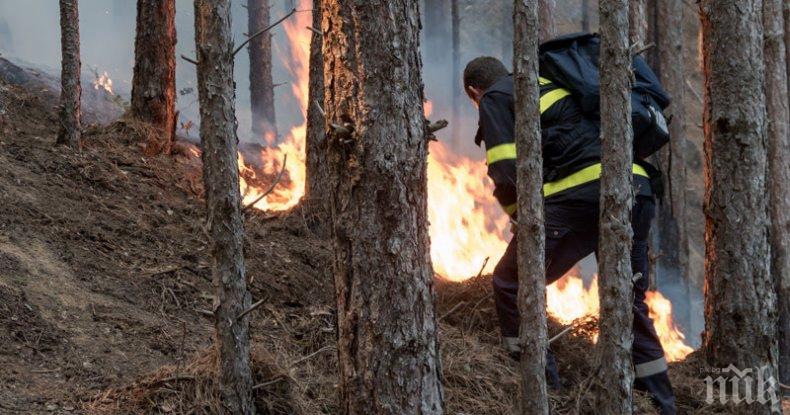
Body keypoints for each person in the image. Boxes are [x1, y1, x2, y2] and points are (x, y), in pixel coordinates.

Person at [464, 56, 676, 415]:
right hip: (635, 191)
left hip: (583, 197)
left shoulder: (496, 95)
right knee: (628, 300)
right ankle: (660, 402)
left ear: (474, 91)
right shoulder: (553, 84)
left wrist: (522, 219)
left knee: (513, 281)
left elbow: (503, 167)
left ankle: (541, 386)